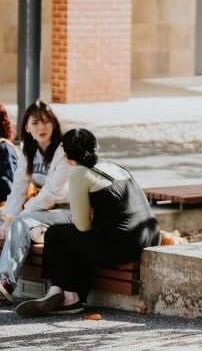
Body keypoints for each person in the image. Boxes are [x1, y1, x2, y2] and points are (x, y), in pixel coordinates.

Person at [16, 129, 159, 317]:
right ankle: (61, 293)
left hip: (123, 244)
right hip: (149, 235)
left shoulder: (79, 173)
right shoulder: (115, 166)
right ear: (96, 147)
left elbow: (82, 226)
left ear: (66, 156)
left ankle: (68, 297)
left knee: (55, 234)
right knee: (80, 239)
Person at [0, 101, 72, 304]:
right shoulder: (28, 150)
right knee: (4, 222)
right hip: (42, 212)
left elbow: (51, 193)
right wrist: (8, 219)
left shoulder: (63, 150)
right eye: (36, 122)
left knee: (21, 222)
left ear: (54, 124)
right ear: (27, 127)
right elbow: (18, 189)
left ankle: (5, 282)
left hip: (68, 211)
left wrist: (20, 216)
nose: (41, 127)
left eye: (46, 121)